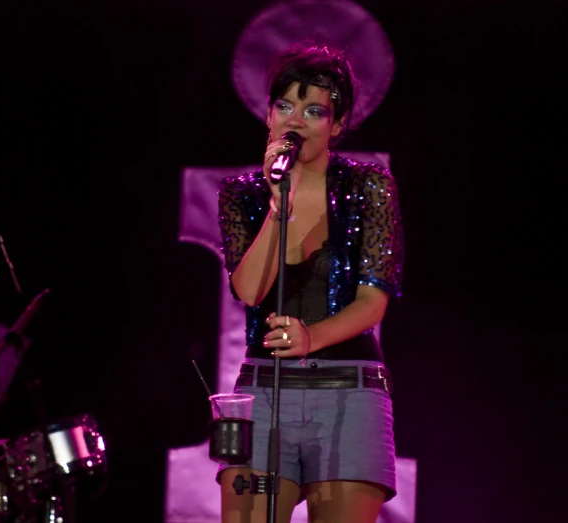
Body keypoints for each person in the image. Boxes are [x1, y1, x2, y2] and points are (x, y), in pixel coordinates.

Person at [216, 40, 405, 523]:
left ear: (337, 125)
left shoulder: (369, 184)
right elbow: (250, 290)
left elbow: (372, 302)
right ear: (268, 116)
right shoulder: (242, 194)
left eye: (314, 110)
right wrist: (279, 207)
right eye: (285, 105)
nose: (295, 119)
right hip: (264, 390)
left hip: (350, 390)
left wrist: (310, 338)